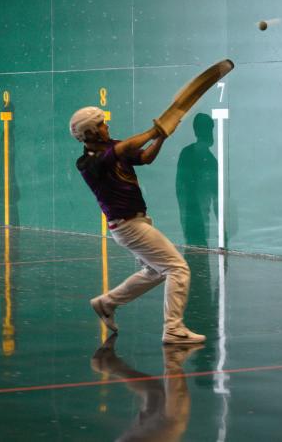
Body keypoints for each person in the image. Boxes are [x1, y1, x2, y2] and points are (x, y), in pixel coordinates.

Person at [70, 106, 205, 345]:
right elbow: (125, 148)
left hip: (135, 222)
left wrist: (161, 138)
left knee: (155, 271)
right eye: (101, 124)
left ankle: (106, 303)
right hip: (128, 226)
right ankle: (173, 329)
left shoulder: (112, 146)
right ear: (90, 132)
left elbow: (144, 158)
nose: (106, 126)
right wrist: (156, 129)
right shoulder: (88, 163)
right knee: (178, 269)